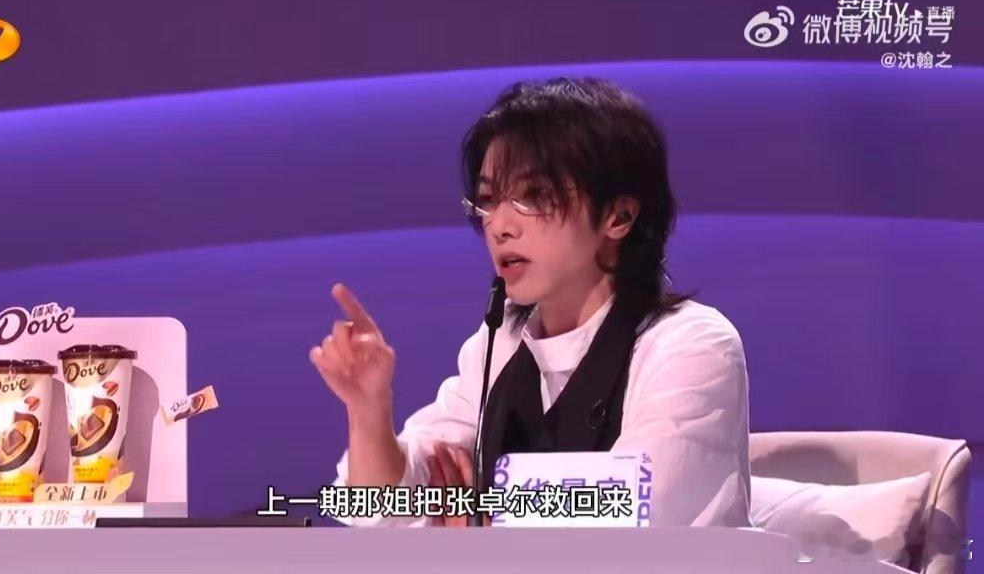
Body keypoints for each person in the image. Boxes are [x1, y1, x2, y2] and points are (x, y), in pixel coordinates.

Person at [310, 77, 750, 527]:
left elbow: (637, 509)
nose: (499, 226)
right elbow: (383, 507)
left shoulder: (691, 344)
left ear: (619, 216)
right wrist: (368, 410)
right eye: (488, 199)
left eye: (534, 196)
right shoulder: (500, 342)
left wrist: (482, 523)